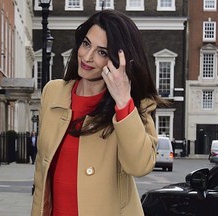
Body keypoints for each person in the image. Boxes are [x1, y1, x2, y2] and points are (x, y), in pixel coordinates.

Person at [31, 9, 167, 216]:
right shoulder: (53, 92)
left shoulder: (134, 105)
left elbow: (140, 166)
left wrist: (122, 100)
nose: (87, 56)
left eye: (102, 52)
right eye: (86, 44)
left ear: (117, 60)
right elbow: (42, 173)